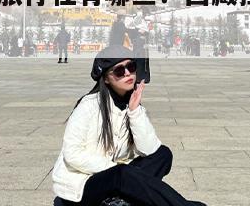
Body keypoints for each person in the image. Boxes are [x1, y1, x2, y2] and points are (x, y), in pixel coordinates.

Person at [52, 45, 207, 206]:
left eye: (131, 67)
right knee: (122, 174)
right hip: (81, 187)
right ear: (106, 79)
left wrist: (135, 111)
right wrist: (115, 168)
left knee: (162, 154)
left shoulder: (131, 105)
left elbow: (150, 149)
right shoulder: (89, 106)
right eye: (119, 71)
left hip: (116, 179)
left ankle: (119, 201)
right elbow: (72, 154)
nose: (127, 73)